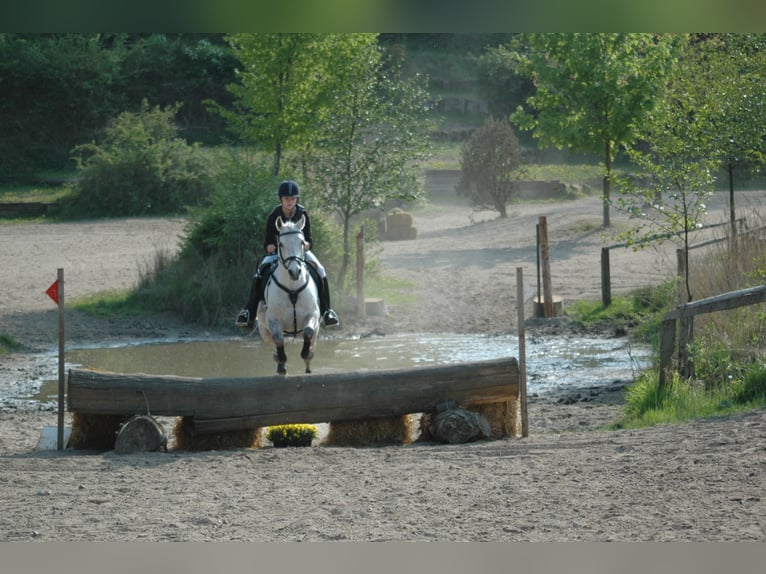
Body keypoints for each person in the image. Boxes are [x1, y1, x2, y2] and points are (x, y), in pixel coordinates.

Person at [235, 180, 340, 329]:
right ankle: (249, 311)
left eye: (292, 198)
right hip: (279, 253)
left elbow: (309, 237)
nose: (290, 201)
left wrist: (308, 244)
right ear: (281, 199)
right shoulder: (274, 215)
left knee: (321, 270)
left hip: (299, 253)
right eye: (286, 198)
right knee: (259, 272)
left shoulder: (303, 213)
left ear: (296, 199)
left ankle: (327, 311)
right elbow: (268, 240)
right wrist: (269, 246)